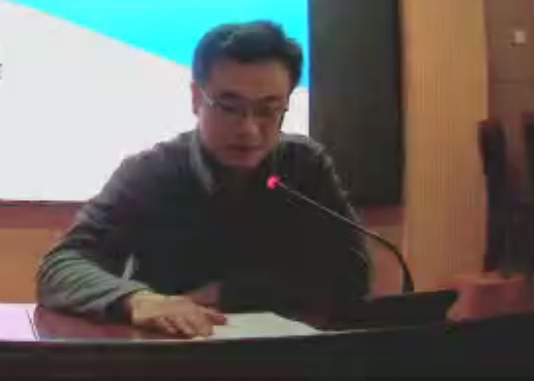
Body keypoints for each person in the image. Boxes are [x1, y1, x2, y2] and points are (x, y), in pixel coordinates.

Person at [36, 21, 369, 338]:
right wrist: (138, 300)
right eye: (229, 107)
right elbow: (61, 266)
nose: (249, 129)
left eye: (269, 110)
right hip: (177, 354)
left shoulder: (304, 166)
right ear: (196, 98)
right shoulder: (152, 171)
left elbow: (351, 276)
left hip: (285, 355)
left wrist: (227, 293)